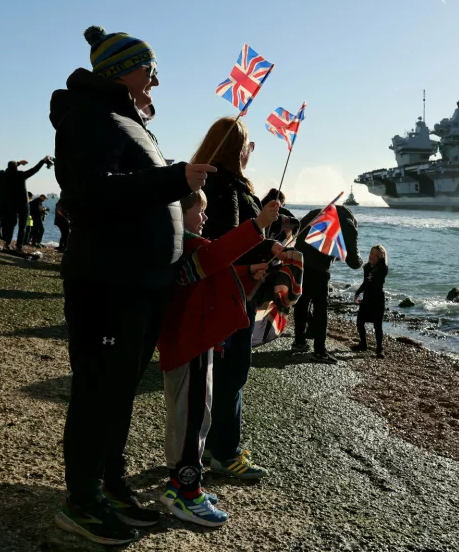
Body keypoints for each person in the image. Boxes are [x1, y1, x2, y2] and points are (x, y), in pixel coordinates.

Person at [49, 25, 214, 546]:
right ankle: (80, 500)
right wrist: (174, 181)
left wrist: (181, 200)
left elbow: (135, 189)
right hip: (108, 283)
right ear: (122, 71)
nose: (157, 82)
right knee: (98, 390)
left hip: (141, 284)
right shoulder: (86, 115)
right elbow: (92, 192)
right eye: (151, 71)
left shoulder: (126, 120)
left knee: (119, 392)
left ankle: (110, 483)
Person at [156, 189, 278, 527]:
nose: (206, 218)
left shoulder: (185, 247)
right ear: (182, 213)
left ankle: (177, 483)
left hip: (192, 342)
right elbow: (216, 257)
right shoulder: (187, 245)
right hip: (191, 344)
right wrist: (258, 225)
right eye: (201, 211)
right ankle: (188, 492)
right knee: (193, 419)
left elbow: (213, 274)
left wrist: (246, 272)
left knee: (190, 416)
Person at [193, 117, 283, 480]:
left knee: (223, 373)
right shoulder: (226, 186)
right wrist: (259, 244)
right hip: (233, 293)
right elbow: (227, 240)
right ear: (236, 149)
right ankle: (225, 454)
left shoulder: (212, 181)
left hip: (229, 289)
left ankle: (215, 445)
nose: (251, 152)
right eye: (248, 145)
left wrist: (267, 242)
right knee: (233, 372)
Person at [293, 205, 364, 362]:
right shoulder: (347, 223)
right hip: (318, 268)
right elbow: (354, 262)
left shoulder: (318, 212)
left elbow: (298, 232)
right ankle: (319, 351)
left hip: (300, 262)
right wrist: (363, 262)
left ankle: (299, 342)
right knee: (320, 309)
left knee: (302, 302)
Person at [0, 159, 50, 251]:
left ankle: (7, 243)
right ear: (16, 167)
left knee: (11, 224)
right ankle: (19, 245)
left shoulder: (6, 175)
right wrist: (42, 161)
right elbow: (34, 170)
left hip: (12, 202)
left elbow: (8, 169)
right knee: (22, 226)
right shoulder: (20, 175)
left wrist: (18, 163)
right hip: (23, 203)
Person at [351, 245, 389, 358]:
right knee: (360, 322)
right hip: (367, 299)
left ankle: (379, 349)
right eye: (371, 253)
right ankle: (363, 344)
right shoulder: (367, 267)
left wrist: (382, 258)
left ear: (381, 257)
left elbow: (382, 270)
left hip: (378, 300)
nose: (372, 256)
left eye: (376, 255)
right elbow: (365, 283)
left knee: (378, 326)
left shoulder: (383, 268)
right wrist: (357, 293)